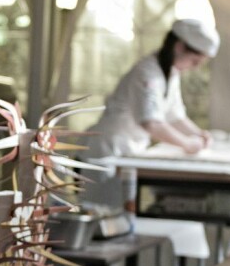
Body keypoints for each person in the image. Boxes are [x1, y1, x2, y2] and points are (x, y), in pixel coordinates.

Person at [81, 18, 220, 207]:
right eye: (195, 61)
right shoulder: (147, 72)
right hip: (111, 150)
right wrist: (186, 144)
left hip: (132, 151)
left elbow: (174, 115)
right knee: (103, 213)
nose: (195, 67)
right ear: (179, 47)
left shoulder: (171, 73)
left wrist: (197, 134)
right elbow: (151, 123)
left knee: (124, 214)